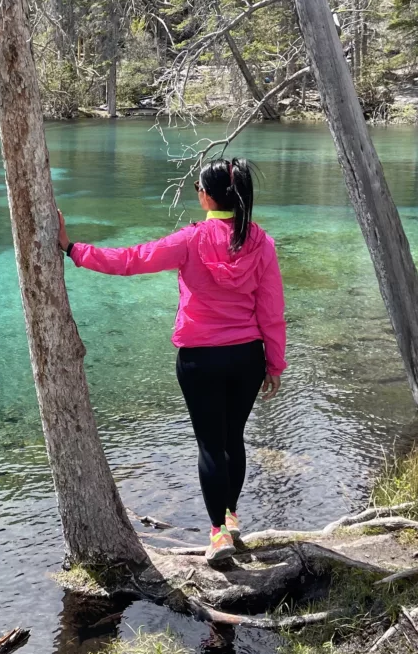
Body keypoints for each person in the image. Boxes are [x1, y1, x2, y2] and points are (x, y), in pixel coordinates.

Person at [57, 158, 287, 563]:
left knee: (211, 446)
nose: (196, 192)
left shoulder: (190, 240)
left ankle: (218, 535)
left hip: (200, 359)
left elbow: (132, 260)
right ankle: (232, 518)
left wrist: (74, 249)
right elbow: (271, 309)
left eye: (198, 187)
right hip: (248, 358)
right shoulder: (262, 243)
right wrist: (275, 363)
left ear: (207, 196)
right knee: (233, 438)